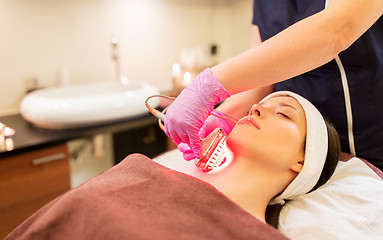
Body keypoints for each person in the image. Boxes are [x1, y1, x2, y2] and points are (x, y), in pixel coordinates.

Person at [164, 0, 383, 170]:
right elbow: (261, 83)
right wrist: (220, 118)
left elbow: (338, 29)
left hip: (366, 151)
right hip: (297, 156)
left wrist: (209, 85)